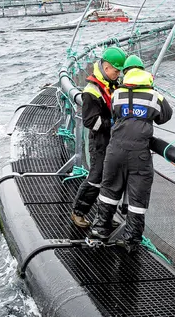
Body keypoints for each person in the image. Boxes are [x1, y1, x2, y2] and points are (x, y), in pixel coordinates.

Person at [90, 59, 173, 252]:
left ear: (126, 73)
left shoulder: (117, 94)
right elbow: (165, 116)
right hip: (139, 155)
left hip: (115, 150)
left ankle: (100, 230)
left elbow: (115, 114)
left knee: (109, 190)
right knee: (137, 198)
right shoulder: (154, 96)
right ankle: (131, 241)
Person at [70, 46, 126, 228]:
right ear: (106, 67)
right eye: (116, 71)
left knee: (111, 179)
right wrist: (114, 123)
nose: (118, 74)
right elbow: (90, 121)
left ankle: (106, 218)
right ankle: (78, 212)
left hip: (113, 141)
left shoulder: (114, 85)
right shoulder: (92, 91)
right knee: (96, 177)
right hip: (100, 142)